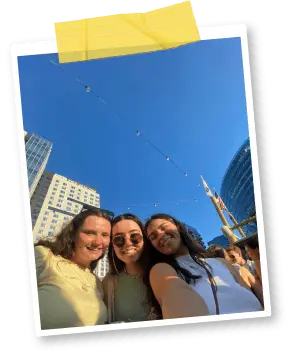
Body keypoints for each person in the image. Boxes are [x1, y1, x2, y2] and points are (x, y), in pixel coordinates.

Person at [144, 214, 263, 319]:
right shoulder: (164, 271)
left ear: (178, 227)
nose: (160, 235)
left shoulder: (222, 262)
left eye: (164, 227)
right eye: (153, 237)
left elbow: (253, 295)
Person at [34, 208, 111, 329]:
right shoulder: (44, 256)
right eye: (90, 232)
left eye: (105, 235)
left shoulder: (97, 282)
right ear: (73, 234)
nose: (98, 242)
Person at [102, 214, 161, 323]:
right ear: (112, 247)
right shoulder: (109, 282)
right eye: (118, 239)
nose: (128, 243)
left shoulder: (163, 272)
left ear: (144, 239)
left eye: (134, 236)